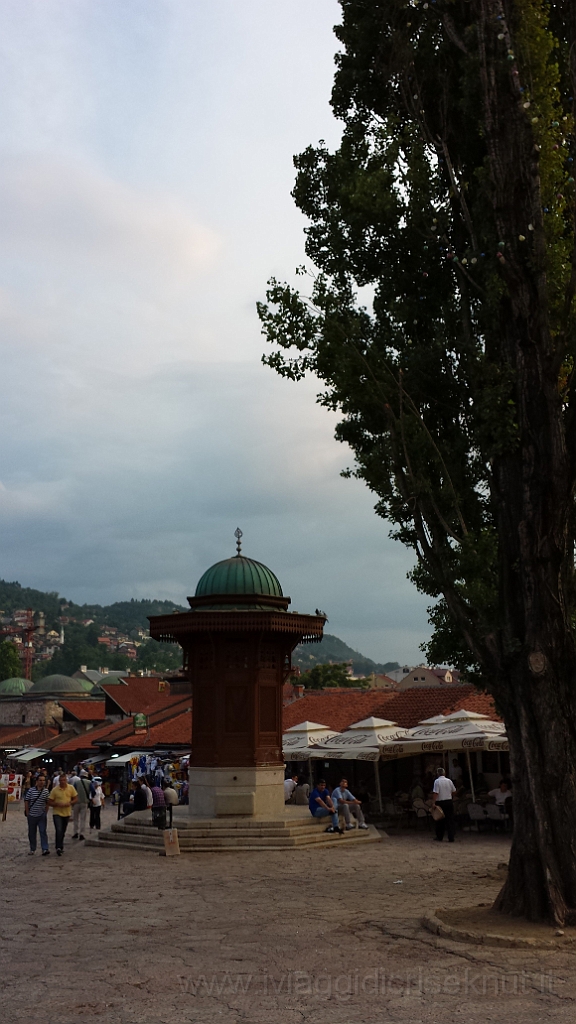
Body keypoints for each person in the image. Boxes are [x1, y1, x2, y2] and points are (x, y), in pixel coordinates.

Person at [47, 772, 78, 855]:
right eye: (61, 780)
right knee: (58, 829)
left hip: (66, 812)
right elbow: (49, 801)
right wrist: (56, 804)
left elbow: (75, 798)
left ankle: (61, 845)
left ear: (66, 780)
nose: (62, 782)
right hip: (57, 812)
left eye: (64, 780)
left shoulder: (71, 788)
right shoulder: (55, 790)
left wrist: (70, 803)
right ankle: (58, 847)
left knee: (63, 830)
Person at [24, 774, 50, 856]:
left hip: (41, 815)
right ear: (37, 781)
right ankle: (32, 848)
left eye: (43, 780)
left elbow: (47, 802)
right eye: (40, 780)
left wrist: (45, 812)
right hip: (32, 815)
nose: (42, 782)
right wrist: (27, 812)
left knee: (43, 831)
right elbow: (26, 801)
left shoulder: (46, 791)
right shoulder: (31, 790)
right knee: (32, 832)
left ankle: (45, 848)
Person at [432, 767, 456, 842]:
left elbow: (436, 793)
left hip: (440, 802)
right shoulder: (449, 781)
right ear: (444, 773)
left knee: (439, 820)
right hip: (448, 801)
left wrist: (433, 802)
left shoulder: (437, 781)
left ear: (437, 774)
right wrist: (449, 795)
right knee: (450, 820)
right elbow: (454, 791)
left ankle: (439, 836)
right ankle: (451, 837)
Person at [71, 769, 91, 840]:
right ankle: (82, 833)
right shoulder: (89, 782)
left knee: (75, 818)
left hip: (76, 802)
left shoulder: (77, 783)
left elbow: (73, 792)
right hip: (84, 802)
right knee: (83, 818)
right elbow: (93, 792)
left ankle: (75, 832)